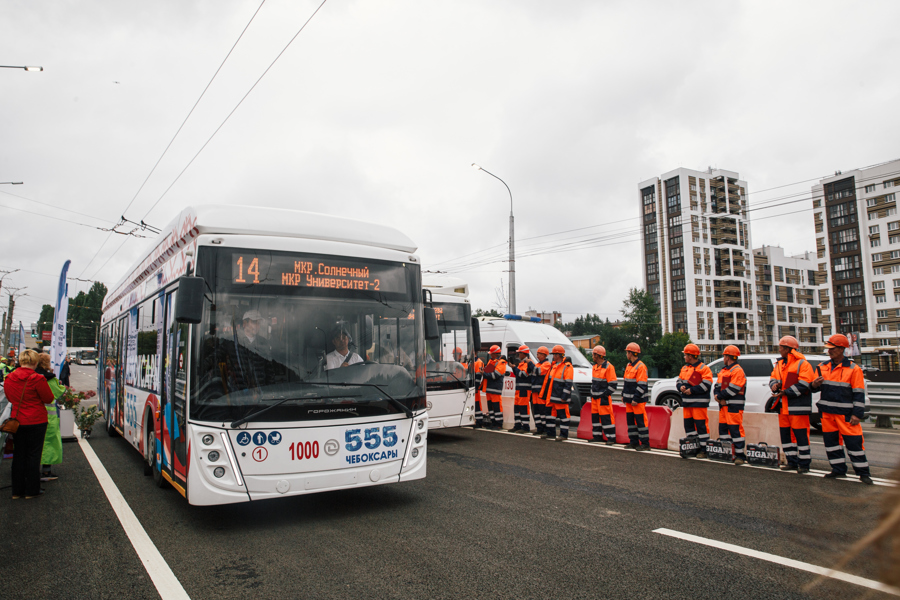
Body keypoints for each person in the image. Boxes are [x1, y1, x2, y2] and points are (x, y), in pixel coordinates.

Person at [811, 334, 873, 485]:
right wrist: (814, 385)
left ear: (841, 349)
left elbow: (859, 393)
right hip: (827, 414)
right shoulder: (821, 367)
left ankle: (863, 473)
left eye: (832, 349)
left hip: (846, 415)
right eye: (829, 349)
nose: (829, 351)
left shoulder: (853, 369)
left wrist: (857, 414)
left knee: (854, 444)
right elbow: (812, 388)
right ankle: (838, 470)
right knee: (831, 444)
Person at [6, 349, 55, 499]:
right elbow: (48, 398)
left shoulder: (9, 378)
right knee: (33, 455)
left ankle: (17, 491)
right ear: (35, 362)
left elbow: (9, 397)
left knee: (19, 455)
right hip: (36, 420)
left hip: (17, 420)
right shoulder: (37, 378)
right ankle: (32, 490)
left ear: (21, 361)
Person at [769, 335, 815, 473]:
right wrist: (774, 386)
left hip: (797, 407)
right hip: (783, 408)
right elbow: (773, 378)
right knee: (786, 436)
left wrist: (786, 392)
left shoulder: (802, 364)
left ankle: (804, 464)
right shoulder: (779, 364)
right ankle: (792, 461)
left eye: (781, 347)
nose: (779, 350)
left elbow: (804, 384)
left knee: (801, 437)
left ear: (788, 349)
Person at [678, 343, 714, 458]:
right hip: (687, 403)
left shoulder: (704, 368)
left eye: (685, 355)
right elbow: (679, 381)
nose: (684, 357)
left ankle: (704, 450)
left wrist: (692, 390)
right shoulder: (684, 368)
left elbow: (707, 385)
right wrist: (680, 387)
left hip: (699, 403)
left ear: (690, 356)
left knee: (701, 426)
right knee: (689, 427)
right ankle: (693, 448)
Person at [714, 345, 747, 465]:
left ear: (728, 357)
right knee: (723, 430)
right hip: (724, 407)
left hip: (733, 407)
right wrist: (718, 397)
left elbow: (734, 388)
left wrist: (720, 397)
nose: (723, 358)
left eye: (724, 356)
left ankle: (740, 456)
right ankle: (727, 453)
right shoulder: (724, 370)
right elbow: (717, 386)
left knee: (736, 431)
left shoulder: (737, 370)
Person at [36, 353, 65, 481]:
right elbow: (58, 392)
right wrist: (61, 385)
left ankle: (31, 471)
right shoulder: (49, 378)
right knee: (49, 444)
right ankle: (46, 472)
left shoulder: (32, 376)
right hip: (49, 417)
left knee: (34, 445)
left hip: (32, 416)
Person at [539, 345, 573, 441]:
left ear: (558, 355)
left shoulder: (567, 367)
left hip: (559, 397)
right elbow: (548, 382)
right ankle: (550, 433)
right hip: (551, 397)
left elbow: (568, 383)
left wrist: (564, 396)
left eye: (554, 354)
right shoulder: (553, 366)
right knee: (549, 415)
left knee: (563, 416)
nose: (553, 356)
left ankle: (563, 434)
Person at [622, 342, 651, 450]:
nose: (626, 354)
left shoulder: (641, 367)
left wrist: (636, 398)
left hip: (637, 401)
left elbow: (642, 384)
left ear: (632, 353)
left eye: (627, 352)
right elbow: (626, 382)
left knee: (640, 421)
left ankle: (645, 444)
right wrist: (623, 396)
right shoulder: (629, 366)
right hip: (629, 400)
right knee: (631, 422)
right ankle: (633, 442)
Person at [589, 345, 618, 445]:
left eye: (593, 354)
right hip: (595, 398)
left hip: (602, 398)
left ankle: (611, 438)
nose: (592, 356)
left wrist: (605, 395)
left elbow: (613, 384)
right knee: (595, 418)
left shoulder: (609, 367)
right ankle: (597, 436)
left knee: (606, 418)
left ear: (597, 355)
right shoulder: (594, 367)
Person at [482, 345, 507, 430]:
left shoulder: (501, 362)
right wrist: (484, 372)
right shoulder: (492, 361)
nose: (491, 355)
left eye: (491, 354)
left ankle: (499, 424)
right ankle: (493, 423)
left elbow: (495, 375)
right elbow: (487, 372)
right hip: (489, 389)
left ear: (494, 354)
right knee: (491, 408)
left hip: (495, 389)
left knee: (497, 408)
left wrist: (484, 373)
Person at [510, 345, 534, 433]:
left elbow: (522, 374)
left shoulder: (528, 364)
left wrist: (514, 367)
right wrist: (514, 368)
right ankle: (517, 425)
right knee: (517, 408)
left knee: (523, 408)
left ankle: (525, 427)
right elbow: (518, 374)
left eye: (519, 353)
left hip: (524, 389)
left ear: (524, 354)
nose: (518, 355)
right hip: (519, 389)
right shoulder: (522, 363)